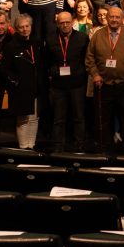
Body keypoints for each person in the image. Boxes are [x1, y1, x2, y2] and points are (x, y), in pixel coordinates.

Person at [87, 6, 124, 155]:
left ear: (123, 19)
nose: (114, 19)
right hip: (103, 84)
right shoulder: (98, 35)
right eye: (111, 17)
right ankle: (105, 147)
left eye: (117, 17)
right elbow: (89, 58)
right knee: (103, 119)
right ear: (107, 18)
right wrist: (95, 74)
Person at [46, 11, 88, 151]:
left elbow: (86, 60)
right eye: (62, 23)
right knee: (59, 118)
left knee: (79, 116)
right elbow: (47, 61)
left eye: (67, 22)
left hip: (77, 84)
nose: (65, 25)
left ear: (72, 22)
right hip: (58, 85)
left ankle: (79, 144)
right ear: (58, 24)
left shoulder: (82, 38)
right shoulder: (51, 39)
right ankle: (58, 145)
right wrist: (52, 72)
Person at [1, 14, 41, 149]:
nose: (25, 29)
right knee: (23, 120)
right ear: (16, 29)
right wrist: (16, 82)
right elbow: (5, 69)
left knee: (34, 118)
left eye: (27, 26)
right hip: (20, 89)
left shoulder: (36, 43)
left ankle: (32, 145)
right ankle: (24, 147)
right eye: (21, 27)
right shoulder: (11, 46)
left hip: (35, 87)